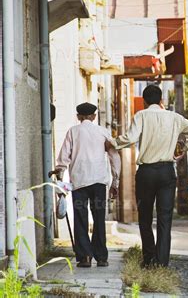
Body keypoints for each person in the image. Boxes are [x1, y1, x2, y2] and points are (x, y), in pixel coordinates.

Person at [110, 84, 188, 268]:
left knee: (144, 217)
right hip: (167, 172)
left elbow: (130, 138)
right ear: (161, 101)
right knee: (165, 217)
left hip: (146, 173)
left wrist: (112, 143)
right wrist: (183, 147)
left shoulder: (141, 115)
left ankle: (149, 258)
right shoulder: (175, 118)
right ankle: (162, 262)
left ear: (144, 100)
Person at [50, 102, 121, 268]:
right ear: (94, 116)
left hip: (79, 182)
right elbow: (114, 157)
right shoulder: (103, 132)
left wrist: (60, 176)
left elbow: (63, 159)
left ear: (78, 117)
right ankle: (102, 257)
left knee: (80, 218)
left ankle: (85, 257)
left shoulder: (73, 132)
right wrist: (115, 181)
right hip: (99, 182)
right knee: (99, 218)